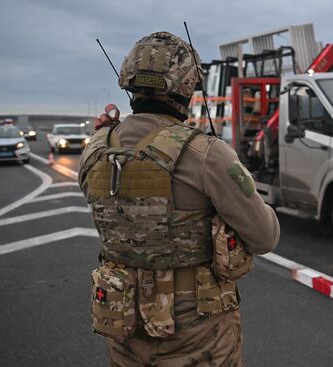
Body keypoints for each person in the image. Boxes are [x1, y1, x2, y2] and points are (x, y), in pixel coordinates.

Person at [78, 31, 280, 367]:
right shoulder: (207, 154)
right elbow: (265, 237)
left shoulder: (95, 149)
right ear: (186, 87)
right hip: (199, 336)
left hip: (124, 327)